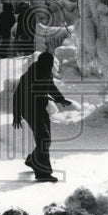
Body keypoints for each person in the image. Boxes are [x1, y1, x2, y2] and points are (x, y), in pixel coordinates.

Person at [12, 51, 71, 182]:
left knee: (46, 140)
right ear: (42, 62)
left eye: (51, 63)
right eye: (48, 63)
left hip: (40, 108)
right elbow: (18, 94)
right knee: (43, 139)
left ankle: (33, 160)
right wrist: (16, 115)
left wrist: (60, 99)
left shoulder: (45, 72)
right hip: (29, 109)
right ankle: (42, 172)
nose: (50, 66)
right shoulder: (30, 75)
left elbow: (50, 86)